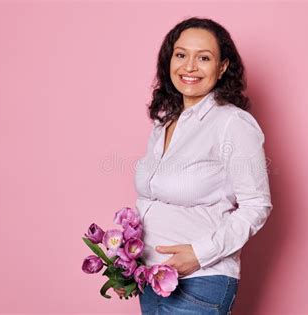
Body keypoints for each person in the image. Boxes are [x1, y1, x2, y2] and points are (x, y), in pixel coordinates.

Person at [115, 17, 273, 314]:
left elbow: (257, 206)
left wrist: (199, 255)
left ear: (222, 66)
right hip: (150, 279)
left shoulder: (232, 123)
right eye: (181, 55)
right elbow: (154, 198)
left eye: (203, 58)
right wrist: (125, 254)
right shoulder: (165, 120)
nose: (189, 67)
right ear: (169, 60)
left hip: (200, 281)